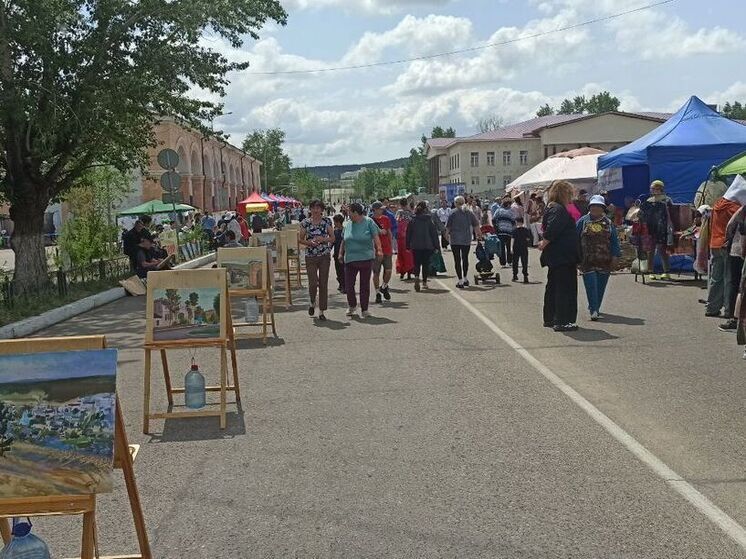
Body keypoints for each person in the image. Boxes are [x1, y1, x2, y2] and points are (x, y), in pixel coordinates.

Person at [539, 180, 580, 332]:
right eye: (570, 194)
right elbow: (553, 228)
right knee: (564, 288)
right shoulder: (558, 209)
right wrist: (545, 242)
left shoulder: (553, 208)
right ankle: (562, 320)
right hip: (563, 256)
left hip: (558, 255)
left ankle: (550, 317)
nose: (571, 197)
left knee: (553, 286)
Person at [576, 195, 621, 321]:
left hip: (604, 261)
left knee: (600, 286)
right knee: (591, 285)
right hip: (587, 261)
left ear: (603, 208)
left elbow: (614, 242)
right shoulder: (583, 221)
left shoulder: (608, 223)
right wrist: (575, 257)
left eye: (598, 206)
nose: (595, 208)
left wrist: (615, 257)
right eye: (593, 206)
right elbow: (575, 238)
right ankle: (594, 310)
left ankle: (596, 306)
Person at [706, 176, 746, 318]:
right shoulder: (736, 208)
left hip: (714, 243)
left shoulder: (718, 204)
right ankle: (729, 311)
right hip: (728, 245)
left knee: (716, 278)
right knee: (730, 280)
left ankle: (712, 307)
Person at [338, 202, 382, 319]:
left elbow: (376, 236)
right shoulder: (348, 224)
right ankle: (352, 305)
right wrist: (340, 253)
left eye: (349, 212)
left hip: (366, 258)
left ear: (356, 212)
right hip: (350, 259)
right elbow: (343, 240)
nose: (348, 214)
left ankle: (364, 309)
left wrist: (379, 249)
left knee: (364, 285)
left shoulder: (369, 222)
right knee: (349, 285)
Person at [300, 200, 334, 321]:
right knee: (313, 282)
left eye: (318, 208)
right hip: (310, 256)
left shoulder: (327, 221)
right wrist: (309, 243)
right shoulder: (305, 223)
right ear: (310, 209)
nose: (316, 210)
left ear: (322, 210)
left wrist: (323, 239)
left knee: (323, 283)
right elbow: (300, 239)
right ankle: (312, 301)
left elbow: (333, 238)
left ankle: (322, 311)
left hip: (324, 255)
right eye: (313, 208)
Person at [639, 180, 673, 280]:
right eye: (653, 189)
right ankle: (650, 271)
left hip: (663, 228)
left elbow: (671, 214)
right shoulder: (649, 201)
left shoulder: (667, 200)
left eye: (656, 188)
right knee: (650, 250)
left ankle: (666, 271)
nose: (654, 190)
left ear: (661, 189)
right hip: (650, 228)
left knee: (663, 250)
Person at [446, 195, 481, 288]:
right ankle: (465, 278)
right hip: (466, 239)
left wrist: (446, 237)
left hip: (455, 240)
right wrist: (479, 235)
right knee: (465, 258)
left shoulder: (452, 213)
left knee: (457, 260)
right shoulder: (469, 212)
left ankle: (460, 280)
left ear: (456, 203)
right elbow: (476, 225)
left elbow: (448, 227)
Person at [406, 201, 440, 292]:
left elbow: (408, 234)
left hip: (415, 245)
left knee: (416, 263)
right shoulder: (429, 220)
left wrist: (407, 245)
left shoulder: (412, 220)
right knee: (425, 264)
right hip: (427, 245)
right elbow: (434, 234)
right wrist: (437, 246)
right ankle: (424, 282)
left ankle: (417, 276)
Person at [371, 202, 394, 304]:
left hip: (387, 249)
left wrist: (391, 246)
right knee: (376, 272)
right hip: (376, 250)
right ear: (375, 210)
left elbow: (389, 232)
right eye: (380, 209)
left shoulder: (386, 219)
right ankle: (377, 293)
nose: (382, 210)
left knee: (388, 270)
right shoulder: (370, 220)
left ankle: (384, 286)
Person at [492, 199, 516, 266]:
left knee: (501, 247)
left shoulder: (498, 210)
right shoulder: (511, 211)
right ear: (508, 204)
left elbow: (493, 219)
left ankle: (503, 263)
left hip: (500, 231)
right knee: (509, 247)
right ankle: (510, 261)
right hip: (509, 231)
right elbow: (513, 222)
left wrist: (496, 227)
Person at [395, 198, 414, 280]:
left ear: (400, 204)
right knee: (409, 255)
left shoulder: (399, 212)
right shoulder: (411, 212)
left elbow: (396, 222)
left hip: (400, 237)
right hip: (409, 236)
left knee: (401, 254)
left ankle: (402, 272)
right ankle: (409, 272)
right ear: (407, 203)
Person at [511, 217, 533, 283]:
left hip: (516, 247)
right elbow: (528, 239)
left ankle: (515, 275)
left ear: (517, 222)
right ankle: (525, 276)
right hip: (524, 247)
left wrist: (511, 248)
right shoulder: (526, 230)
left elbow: (513, 239)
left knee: (515, 262)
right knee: (524, 262)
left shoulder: (514, 230)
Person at [332, 213, 346, 293]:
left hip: (344, 254)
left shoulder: (345, 231)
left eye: (335, 222)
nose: (334, 224)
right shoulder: (335, 232)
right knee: (338, 271)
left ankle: (344, 286)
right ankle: (341, 284)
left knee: (343, 271)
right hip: (336, 254)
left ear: (338, 222)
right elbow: (332, 242)